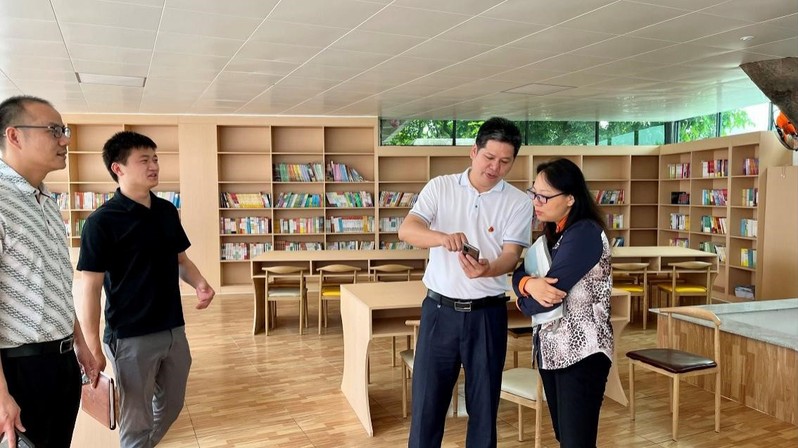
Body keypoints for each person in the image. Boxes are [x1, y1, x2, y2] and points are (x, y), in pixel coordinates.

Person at [399, 117, 533, 447]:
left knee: (484, 407)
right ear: (474, 152)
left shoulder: (518, 201)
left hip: (487, 315)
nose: (495, 167)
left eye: (505, 161)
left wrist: (488, 269)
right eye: (489, 157)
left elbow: (511, 255)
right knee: (427, 404)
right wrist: (441, 237)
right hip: (438, 312)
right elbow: (407, 230)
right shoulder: (440, 187)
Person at [77, 131, 215, 448]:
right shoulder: (101, 222)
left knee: (172, 405)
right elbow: (90, 288)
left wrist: (200, 283)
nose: (154, 166)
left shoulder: (166, 211)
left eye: (155, 159)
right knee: (136, 418)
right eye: (144, 160)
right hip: (130, 335)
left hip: (173, 328)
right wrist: (93, 345)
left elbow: (181, 260)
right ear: (118, 168)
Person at [0, 95, 98, 448]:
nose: (65, 140)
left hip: (61, 363)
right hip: (17, 370)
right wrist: (1, 395)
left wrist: (81, 344)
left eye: (64, 130)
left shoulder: (46, 201)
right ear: (14, 135)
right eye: (54, 130)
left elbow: (54, 285)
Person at [511, 158, 613, 448]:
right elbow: (520, 271)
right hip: (554, 349)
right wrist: (528, 284)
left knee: (576, 440)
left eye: (544, 196)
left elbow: (547, 300)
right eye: (534, 193)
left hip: (582, 353)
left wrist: (522, 302)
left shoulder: (583, 234)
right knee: (565, 436)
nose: (536, 202)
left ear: (570, 198)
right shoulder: (556, 232)